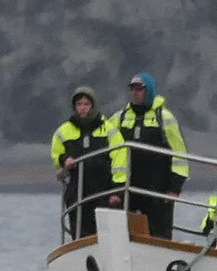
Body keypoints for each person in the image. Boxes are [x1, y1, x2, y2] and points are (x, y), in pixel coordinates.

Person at [114, 72, 187, 241]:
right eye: (133, 89)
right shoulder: (121, 117)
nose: (135, 93)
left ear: (149, 91)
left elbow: (179, 154)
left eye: (139, 89)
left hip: (158, 189)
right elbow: (103, 137)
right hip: (129, 187)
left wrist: (175, 188)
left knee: (159, 237)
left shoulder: (164, 118)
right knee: (124, 233)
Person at [50, 86, 125, 240]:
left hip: (103, 190)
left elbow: (120, 160)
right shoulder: (63, 131)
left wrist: (117, 191)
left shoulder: (109, 130)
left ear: (93, 105)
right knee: (80, 235)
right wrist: (64, 159)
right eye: (79, 104)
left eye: (86, 104)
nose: (83, 108)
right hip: (77, 190)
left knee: (106, 234)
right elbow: (56, 155)